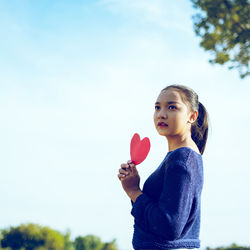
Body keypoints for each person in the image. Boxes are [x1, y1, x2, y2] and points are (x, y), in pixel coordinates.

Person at [118, 84, 208, 250]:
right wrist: (134, 186)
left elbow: (169, 226)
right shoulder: (183, 156)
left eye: (172, 107)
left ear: (192, 116)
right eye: (157, 107)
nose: (161, 114)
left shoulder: (182, 158)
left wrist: (133, 191)